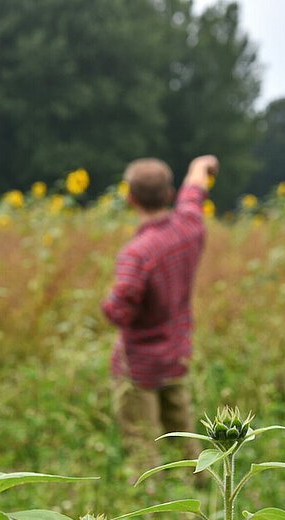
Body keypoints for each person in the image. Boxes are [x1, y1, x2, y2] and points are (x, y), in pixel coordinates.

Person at [101, 155, 219, 470]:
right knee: (186, 439)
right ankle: (202, 491)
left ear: (130, 198)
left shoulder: (136, 254)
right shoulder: (188, 227)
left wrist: (109, 303)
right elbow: (194, 192)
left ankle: (148, 503)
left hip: (138, 365)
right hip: (177, 353)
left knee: (142, 445)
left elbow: (118, 312)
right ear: (168, 194)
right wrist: (201, 165)